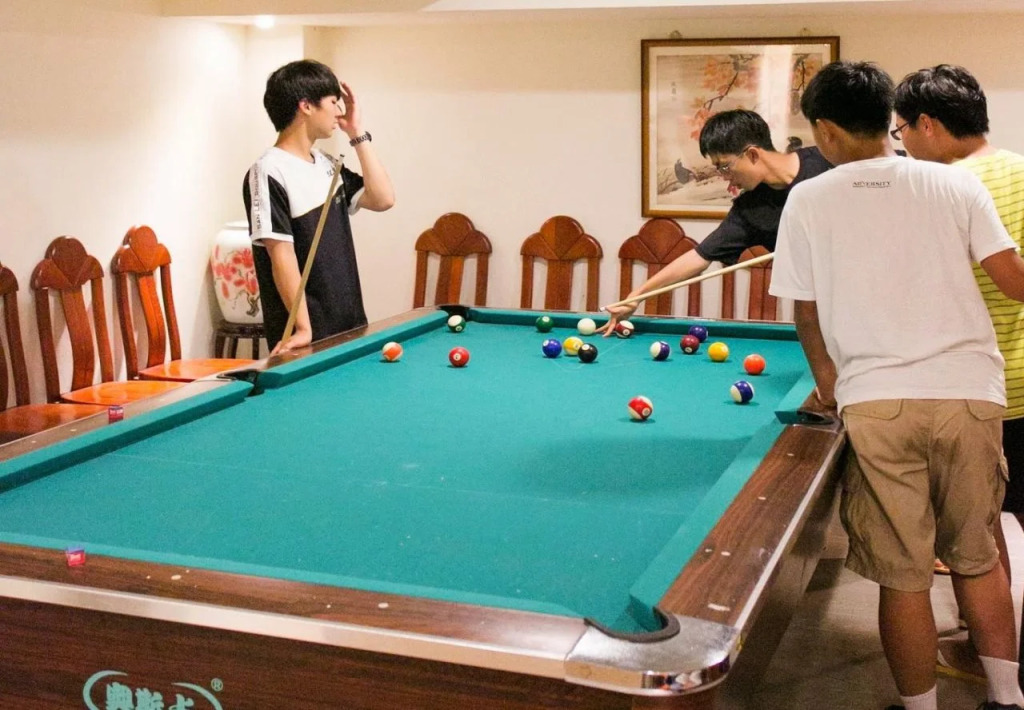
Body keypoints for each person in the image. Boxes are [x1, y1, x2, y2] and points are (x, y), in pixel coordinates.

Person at [768, 60, 1024, 710]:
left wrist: (828, 383)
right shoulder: (954, 184)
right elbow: (1012, 279)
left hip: (878, 401)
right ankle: (1007, 699)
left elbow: (805, 312)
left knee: (903, 573)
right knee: (979, 556)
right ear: (888, 119)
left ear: (826, 131)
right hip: (970, 393)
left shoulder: (808, 199)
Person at [894, 63, 1024, 687]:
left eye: (901, 130)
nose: (900, 143)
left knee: (981, 539)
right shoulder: (1021, 170)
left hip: (981, 388)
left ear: (927, 124)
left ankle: (992, 653)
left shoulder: (938, 188)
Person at [600, 109, 831, 332]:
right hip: (819, 309)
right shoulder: (749, 210)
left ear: (752, 154)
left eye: (724, 166)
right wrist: (638, 295)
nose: (724, 177)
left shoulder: (827, 162)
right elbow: (698, 257)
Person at [244, 60, 395, 354]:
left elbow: (383, 198)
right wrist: (303, 328)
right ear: (306, 106)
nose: (340, 111)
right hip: (306, 337)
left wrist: (357, 133)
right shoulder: (268, 170)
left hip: (350, 324)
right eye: (333, 101)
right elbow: (281, 255)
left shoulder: (326, 163)